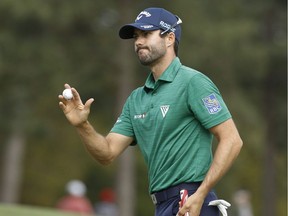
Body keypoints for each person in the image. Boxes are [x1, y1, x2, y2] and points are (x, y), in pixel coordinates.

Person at [58, 7, 243, 216]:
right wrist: (82, 125)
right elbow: (107, 153)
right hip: (162, 205)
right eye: (136, 36)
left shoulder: (193, 82)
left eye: (146, 34)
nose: (138, 42)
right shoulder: (137, 98)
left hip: (190, 200)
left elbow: (232, 140)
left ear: (170, 38)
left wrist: (201, 193)